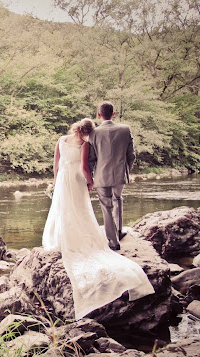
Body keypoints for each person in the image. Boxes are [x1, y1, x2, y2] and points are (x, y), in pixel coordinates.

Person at [42, 117, 154, 320]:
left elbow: (56, 164)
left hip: (63, 180)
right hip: (76, 180)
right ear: (87, 131)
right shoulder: (85, 144)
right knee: (80, 209)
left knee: (63, 209)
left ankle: (60, 238)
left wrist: (56, 181)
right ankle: (92, 238)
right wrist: (91, 182)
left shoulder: (61, 139)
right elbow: (85, 168)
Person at [88, 101, 135, 251]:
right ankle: (119, 231)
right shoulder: (125, 129)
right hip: (120, 173)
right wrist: (126, 171)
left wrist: (89, 177)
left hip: (101, 175)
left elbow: (91, 158)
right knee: (118, 199)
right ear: (113, 114)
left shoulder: (93, 133)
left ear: (99, 115)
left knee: (106, 206)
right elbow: (131, 155)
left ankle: (113, 241)